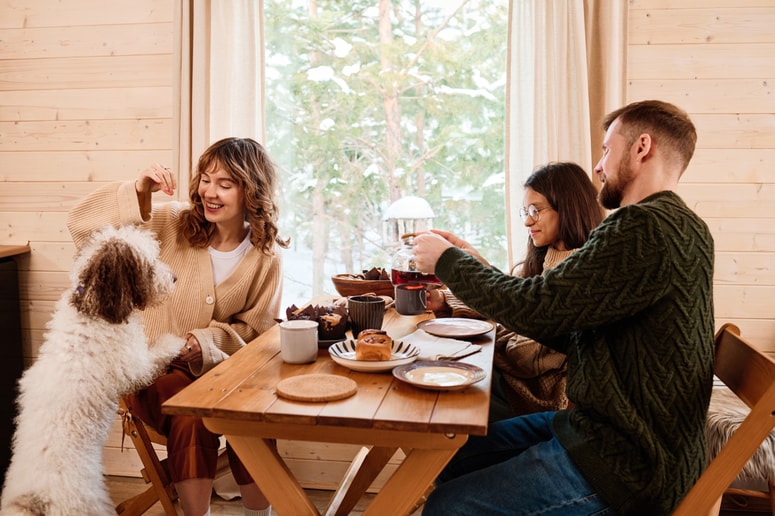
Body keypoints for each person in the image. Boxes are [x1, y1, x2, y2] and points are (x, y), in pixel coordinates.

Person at [413, 100, 715, 515]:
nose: (598, 166)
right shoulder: (680, 227)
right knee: (455, 455)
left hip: (629, 462)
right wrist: (471, 265)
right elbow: (565, 321)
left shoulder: (645, 227)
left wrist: (448, 261)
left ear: (642, 147)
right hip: (603, 433)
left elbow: (539, 307)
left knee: (448, 507)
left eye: (607, 150)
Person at [67, 137, 288, 516]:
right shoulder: (169, 223)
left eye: (225, 183)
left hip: (224, 375)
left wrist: (206, 341)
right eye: (205, 179)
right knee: (191, 412)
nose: (210, 193)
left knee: (252, 410)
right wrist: (138, 192)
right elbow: (82, 229)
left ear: (250, 190)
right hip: (153, 371)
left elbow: (256, 331)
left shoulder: (265, 255)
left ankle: (259, 514)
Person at [426, 162, 604, 421]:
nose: (528, 221)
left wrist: (490, 332)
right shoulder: (549, 257)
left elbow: (524, 355)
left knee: (441, 384)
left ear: (567, 206)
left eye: (536, 210)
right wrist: (451, 298)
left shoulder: (579, 272)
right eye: (525, 211)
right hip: (517, 382)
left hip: (535, 397)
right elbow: (513, 304)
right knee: (438, 366)